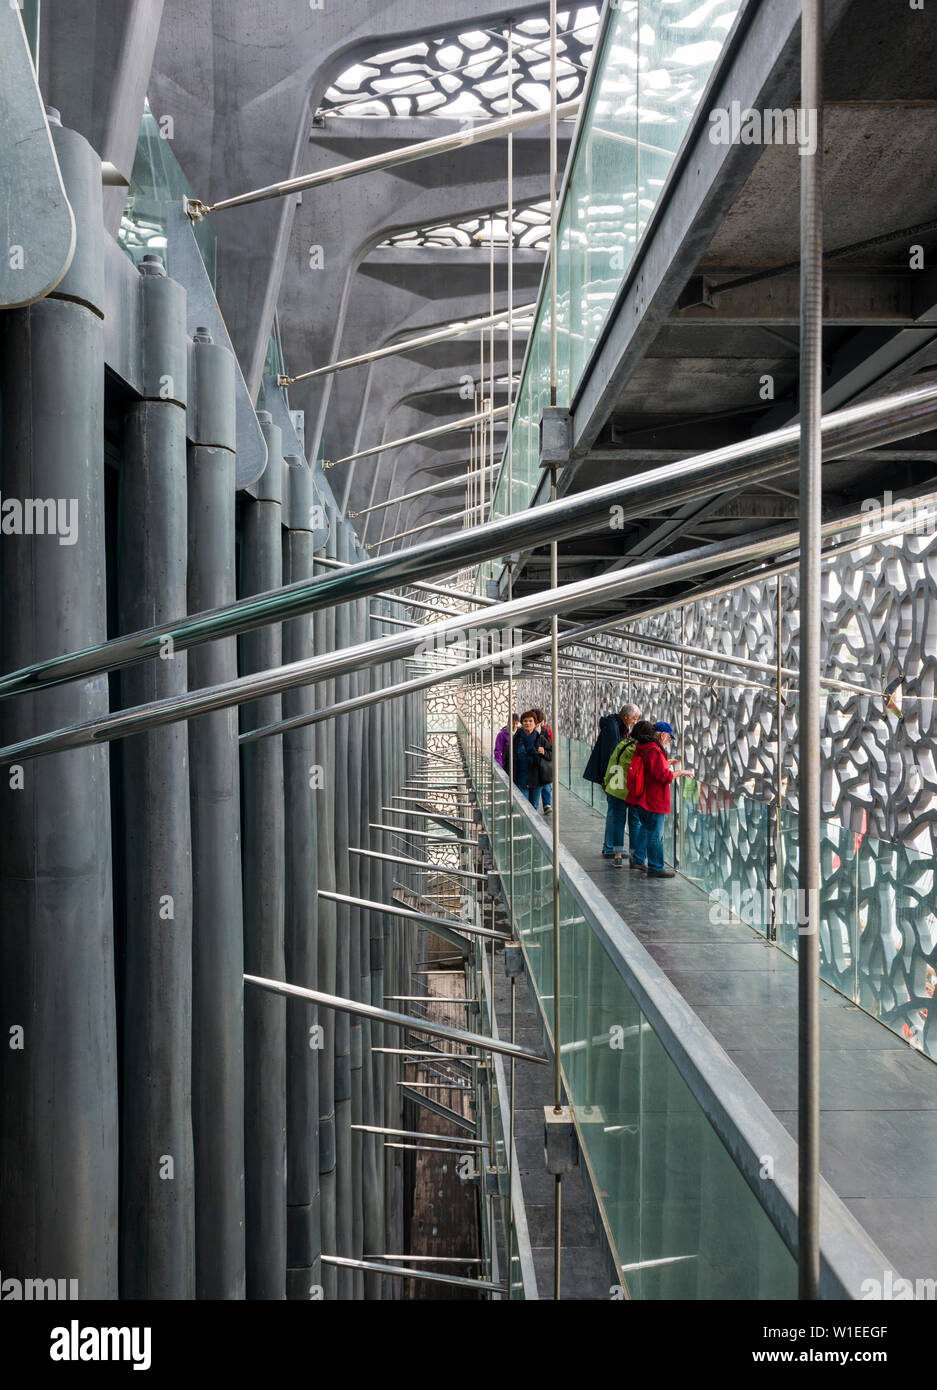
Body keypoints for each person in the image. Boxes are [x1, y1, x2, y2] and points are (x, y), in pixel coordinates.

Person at [625, 719, 690, 877]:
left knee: (646, 829)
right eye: (669, 738)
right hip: (653, 800)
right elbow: (663, 776)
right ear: (662, 735)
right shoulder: (655, 750)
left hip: (641, 798)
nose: (669, 741)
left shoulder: (643, 746)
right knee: (655, 834)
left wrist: (665, 762)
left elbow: (649, 768)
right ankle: (655, 867)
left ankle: (638, 859)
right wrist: (680, 772)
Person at [588, 704, 640, 858]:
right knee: (615, 815)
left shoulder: (615, 725)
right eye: (634, 719)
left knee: (614, 814)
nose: (634, 722)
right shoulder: (613, 729)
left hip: (612, 777)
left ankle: (610, 847)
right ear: (626, 717)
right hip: (613, 778)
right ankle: (610, 848)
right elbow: (609, 756)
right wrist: (606, 779)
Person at [602, 718, 641, 865]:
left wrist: (606, 781)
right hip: (633, 792)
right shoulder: (642, 750)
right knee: (635, 823)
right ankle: (633, 856)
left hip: (617, 789)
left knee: (618, 822)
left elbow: (612, 763)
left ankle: (617, 854)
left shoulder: (623, 744)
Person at [513, 710, 553, 809]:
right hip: (521, 778)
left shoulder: (541, 739)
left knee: (533, 806)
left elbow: (551, 755)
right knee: (523, 807)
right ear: (522, 723)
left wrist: (544, 752)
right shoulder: (516, 739)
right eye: (525, 721)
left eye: (531, 721)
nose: (528, 723)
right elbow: (510, 757)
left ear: (535, 724)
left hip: (536, 779)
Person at [533, 708, 553, 814]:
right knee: (540, 786)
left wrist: (544, 751)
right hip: (534, 766)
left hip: (543, 764)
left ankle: (547, 804)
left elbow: (550, 748)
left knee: (546, 784)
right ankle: (538, 807)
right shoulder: (524, 731)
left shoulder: (544, 730)